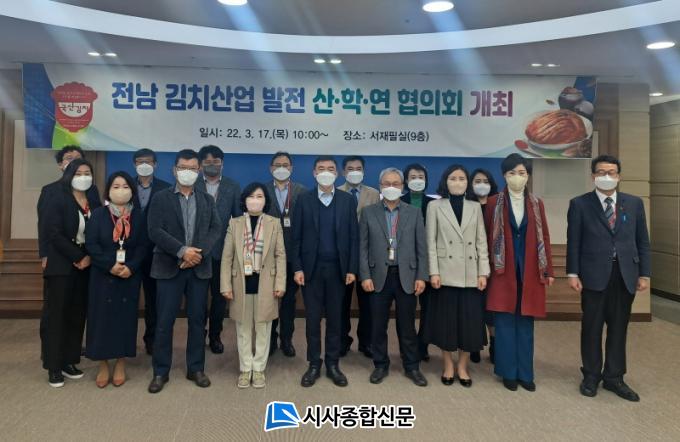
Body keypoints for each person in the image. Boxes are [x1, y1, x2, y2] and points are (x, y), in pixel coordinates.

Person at [567, 154, 650, 402]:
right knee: (591, 328)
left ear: (619, 176)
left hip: (625, 275)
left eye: (611, 172)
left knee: (618, 328)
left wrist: (644, 273)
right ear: (593, 176)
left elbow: (642, 241)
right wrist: (572, 273)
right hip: (592, 275)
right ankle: (591, 375)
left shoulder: (634, 204)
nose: (606, 176)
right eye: (601, 172)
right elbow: (574, 242)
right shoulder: (580, 204)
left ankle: (614, 377)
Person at [146, 149, 222, 393]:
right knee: (164, 321)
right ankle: (160, 371)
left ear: (199, 171)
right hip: (169, 267)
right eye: (182, 168)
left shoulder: (207, 200)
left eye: (192, 168)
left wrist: (197, 254)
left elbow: (215, 229)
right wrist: (181, 251)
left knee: (198, 321)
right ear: (174, 170)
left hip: (198, 268)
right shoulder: (161, 198)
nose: (187, 172)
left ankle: (196, 368)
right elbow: (154, 230)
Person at [484, 153, 554, 392]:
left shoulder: (537, 203)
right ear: (504, 175)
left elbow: (545, 236)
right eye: (512, 173)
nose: (517, 177)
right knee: (504, 322)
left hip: (531, 269)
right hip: (502, 270)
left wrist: (548, 269)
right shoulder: (493, 203)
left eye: (522, 173)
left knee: (526, 322)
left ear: (528, 176)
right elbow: (486, 237)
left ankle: (525, 373)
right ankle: (508, 372)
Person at [292, 155, 359, 388]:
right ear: (314, 173)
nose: (326, 172)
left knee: (335, 319)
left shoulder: (347, 200)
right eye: (321, 169)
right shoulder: (303, 199)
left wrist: (352, 268)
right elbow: (295, 238)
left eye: (331, 169)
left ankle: (332, 364)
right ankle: (313, 364)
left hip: (338, 269)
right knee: (312, 320)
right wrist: (297, 267)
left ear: (337, 174)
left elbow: (353, 237)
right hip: (311, 270)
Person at [359, 167, 429, 386]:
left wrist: (422, 276)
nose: (391, 187)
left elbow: (421, 248)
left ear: (402, 186)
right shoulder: (369, 212)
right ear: (380, 187)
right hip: (378, 276)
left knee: (407, 325)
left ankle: (412, 366)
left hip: (406, 275)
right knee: (378, 325)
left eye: (396, 183)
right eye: (387, 183)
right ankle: (380, 364)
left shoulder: (413, 213)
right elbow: (362, 248)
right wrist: (365, 275)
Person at [425, 165, 489, 387]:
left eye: (462, 178)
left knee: (469, 324)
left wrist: (483, 272)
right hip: (445, 273)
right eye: (453, 178)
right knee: (447, 323)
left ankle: (462, 366)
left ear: (467, 182)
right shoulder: (434, 206)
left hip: (470, 273)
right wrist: (433, 272)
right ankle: (448, 365)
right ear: (445, 181)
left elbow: (481, 241)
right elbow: (430, 242)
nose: (458, 182)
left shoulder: (475, 207)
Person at [85, 172, 149, 388]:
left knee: (125, 319)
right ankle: (103, 363)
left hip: (129, 275)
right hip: (103, 274)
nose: (121, 190)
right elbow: (91, 245)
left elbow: (143, 246)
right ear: (108, 191)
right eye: (116, 186)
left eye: (125, 186)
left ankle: (121, 362)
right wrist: (109, 265)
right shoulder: (98, 215)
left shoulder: (138, 216)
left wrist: (131, 266)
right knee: (101, 319)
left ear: (132, 190)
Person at [41, 158, 100, 387]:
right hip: (62, 264)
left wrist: (89, 256)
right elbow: (53, 233)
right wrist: (78, 256)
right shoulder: (58, 197)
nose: (83, 177)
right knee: (57, 317)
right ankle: (53, 366)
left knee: (77, 315)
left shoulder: (92, 198)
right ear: (69, 175)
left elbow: (99, 229)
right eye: (78, 173)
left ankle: (69, 360)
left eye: (87, 173)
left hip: (87, 265)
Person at [221, 183, 286, 389]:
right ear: (244, 200)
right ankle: (245, 368)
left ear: (266, 200)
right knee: (243, 329)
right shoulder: (235, 223)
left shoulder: (274, 223)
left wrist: (280, 282)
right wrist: (225, 285)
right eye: (251, 196)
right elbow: (227, 257)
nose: (255, 200)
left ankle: (258, 369)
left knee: (263, 329)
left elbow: (280, 255)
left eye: (259, 196)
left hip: (266, 283)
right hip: (241, 283)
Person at [196, 145, 242, 354]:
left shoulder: (233, 186)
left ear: (222, 164)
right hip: (195, 252)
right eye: (207, 162)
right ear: (200, 165)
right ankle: (198, 335)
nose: (212, 165)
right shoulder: (192, 184)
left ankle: (215, 336)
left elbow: (238, 220)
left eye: (216, 162)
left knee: (219, 298)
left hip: (222, 252)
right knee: (197, 299)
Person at [338, 155, 380, 358]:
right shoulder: (336, 192)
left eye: (358, 168)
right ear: (343, 172)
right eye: (350, 168)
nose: (354, 172)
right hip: (343, 255)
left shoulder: (374, 194)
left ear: (363, 171)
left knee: (368, 303)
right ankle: (342, 341)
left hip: (367, 254)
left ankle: (366, 342)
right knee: (341, 302)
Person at [265, 151, 306, 357]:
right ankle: (271, 339)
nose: (282, 168)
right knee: (269, 299)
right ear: (271, 168)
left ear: (291, 168)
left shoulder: (302, 191)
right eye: (277, 165)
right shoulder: (262, 190)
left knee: (289, 300)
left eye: (285, 165)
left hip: (293, 255)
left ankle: (287, 339)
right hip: (268, 256)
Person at [131, 148, 171, 356]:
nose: (144, 165)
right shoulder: (124, 186)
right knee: (127, 300)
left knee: (154, 301)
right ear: (134, 164)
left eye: (148, 161)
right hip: (129, 253)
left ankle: (152, 339)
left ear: (155, 164)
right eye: (140, 161)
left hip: (156, 254)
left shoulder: (166, 189)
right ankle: (125, 342)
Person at [401, 163, 436, 362]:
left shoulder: (434, 203)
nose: (417, 180)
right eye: (413, 177)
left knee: (427, 308)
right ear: (406, 180)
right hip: (404, 262)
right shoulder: (398, 201)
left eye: (421, 177)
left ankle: (423, 345)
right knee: (406, 308)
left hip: (428, 261)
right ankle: (408, 346)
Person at [469, 168, 500, 364]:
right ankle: (474, 345)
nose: (482, 184)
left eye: (485, 181)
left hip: (494, 265)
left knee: (491, 309)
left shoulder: (498, 205)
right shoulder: (467, 205)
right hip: (470, 264)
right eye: (477, 181)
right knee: (473, 308)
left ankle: (495, 345)